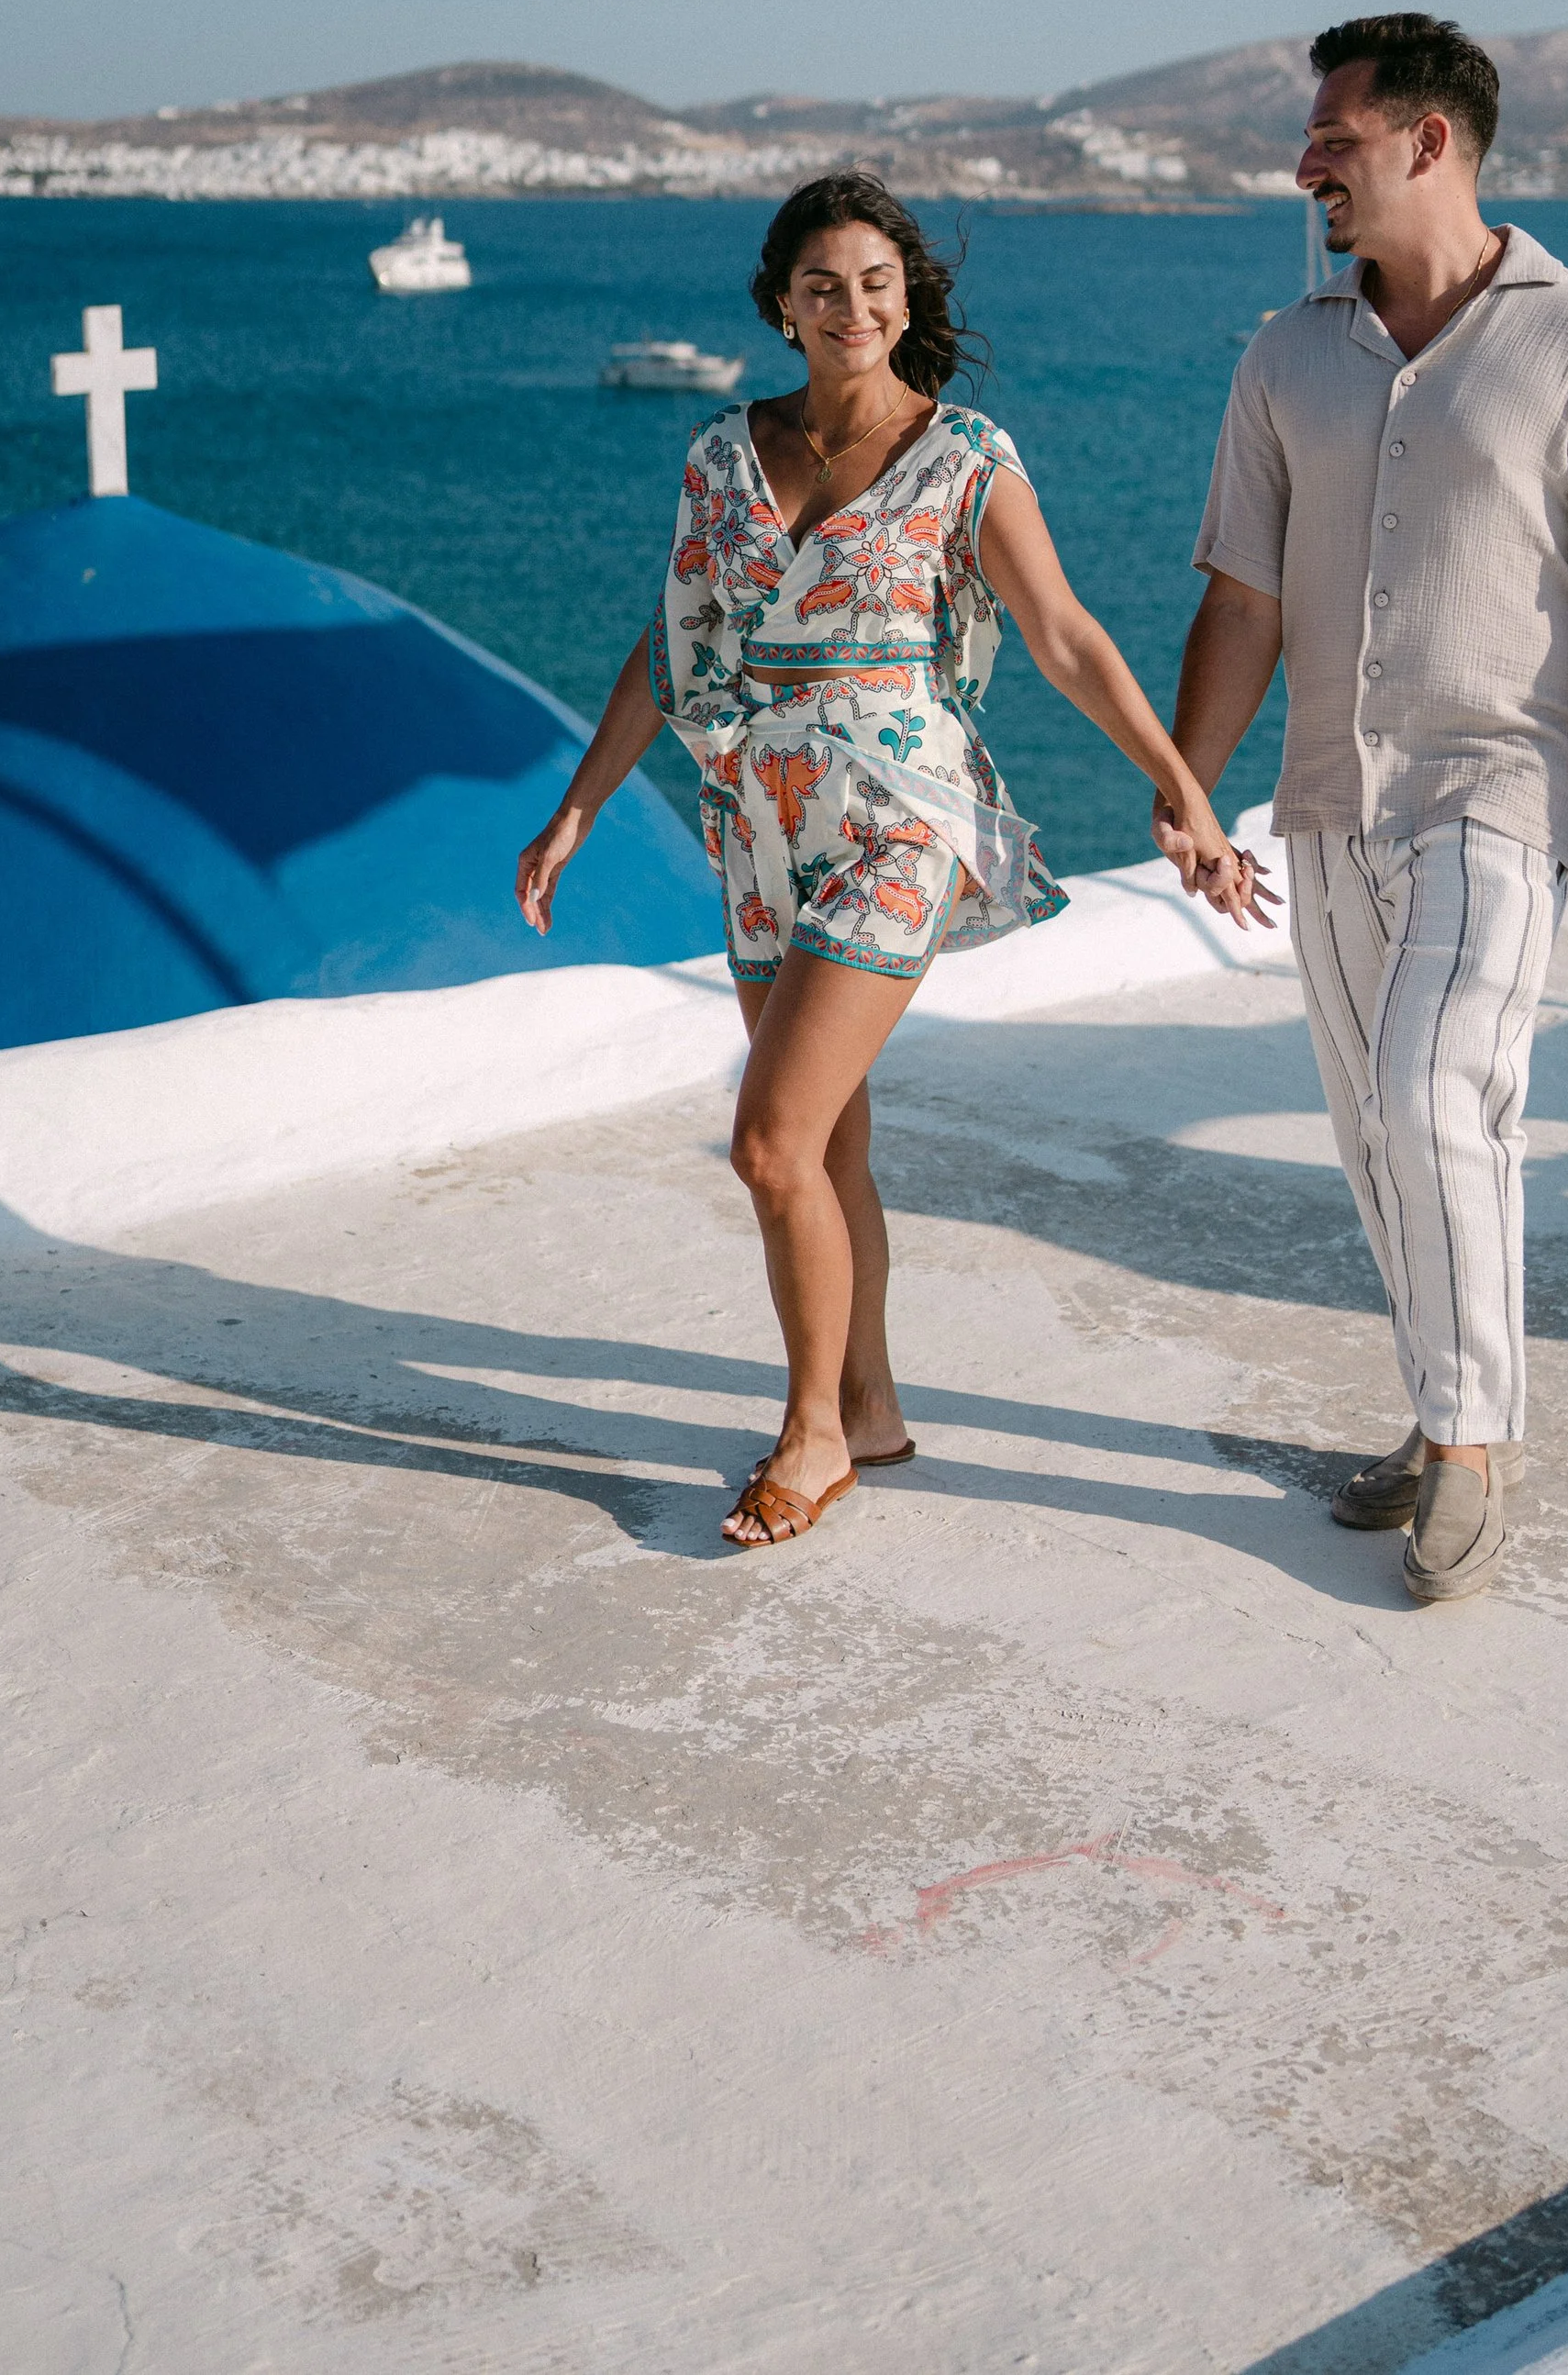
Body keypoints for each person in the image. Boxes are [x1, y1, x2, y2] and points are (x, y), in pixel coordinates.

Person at [518, 168, 1269, 1547]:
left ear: (907, 299)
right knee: (828, 1144)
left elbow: (1065, 638)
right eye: (822, 287)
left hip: (898, 822)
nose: (852, 307)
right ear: (781, 307)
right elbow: (672, 644)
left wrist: (1185, 795)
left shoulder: (965, 456)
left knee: (769, 1142)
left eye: (876, 283)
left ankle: (809, 1437)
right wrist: (579, 807)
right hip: (758, 825)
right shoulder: (721, 454)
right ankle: (865, 1405)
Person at [1166, 16, 1568, 1603]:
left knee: (1432, 1090)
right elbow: (1244, 599)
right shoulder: (1286, 355)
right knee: (1374, 1130)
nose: (1306, 164)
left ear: (1430, 142)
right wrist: (1190, 789)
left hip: (1500, 787)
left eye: (1333, 136)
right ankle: (1445, 1403)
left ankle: (1471, 1446)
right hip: (1328, 798)